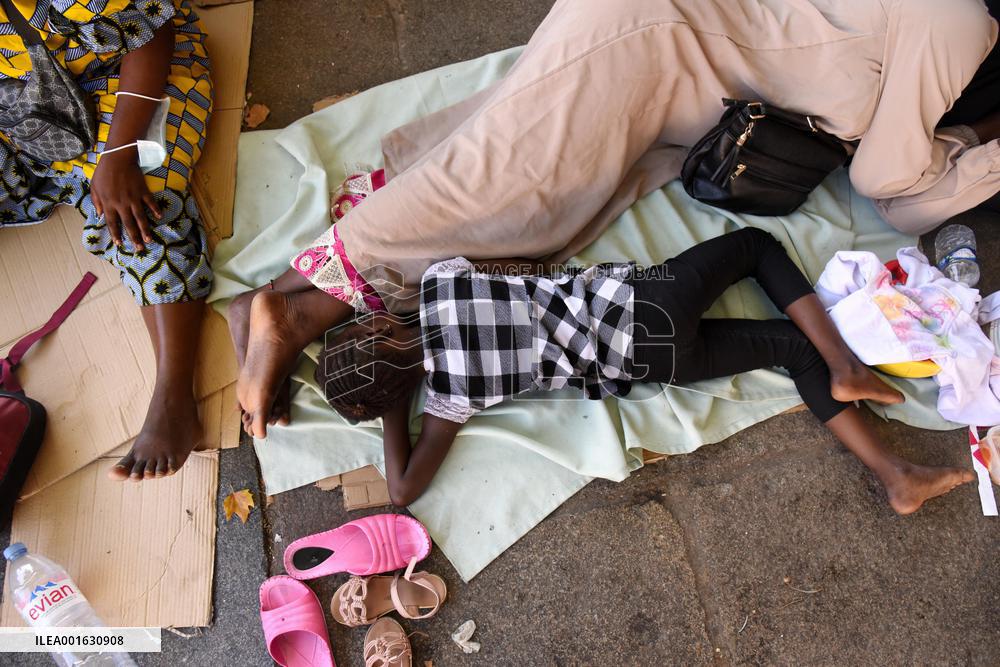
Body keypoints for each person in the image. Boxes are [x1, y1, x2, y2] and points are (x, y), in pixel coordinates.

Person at [232, 0, 1000, 438]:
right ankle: (294, 313)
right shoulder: (956, 22)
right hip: (655, 47)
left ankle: (279, 292)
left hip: (664, 60)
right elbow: (891, 184)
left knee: (521, 195)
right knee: (501, 189)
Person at [314, 228, 975, 514]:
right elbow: (521, 263)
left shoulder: (450, 400)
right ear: (371, 323)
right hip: (645, 299)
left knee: (784, 348)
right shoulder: (438, 284)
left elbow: (402, 488)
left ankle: (895, 477)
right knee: (754, 247)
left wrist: (390, 409)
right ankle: (843, 363)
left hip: (648, 362)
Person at [0, 0, 213, 481]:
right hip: (28, 103)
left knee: (139, 207)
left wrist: (118, 155)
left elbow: (152, 35)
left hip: (127, 79)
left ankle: (174, 395)